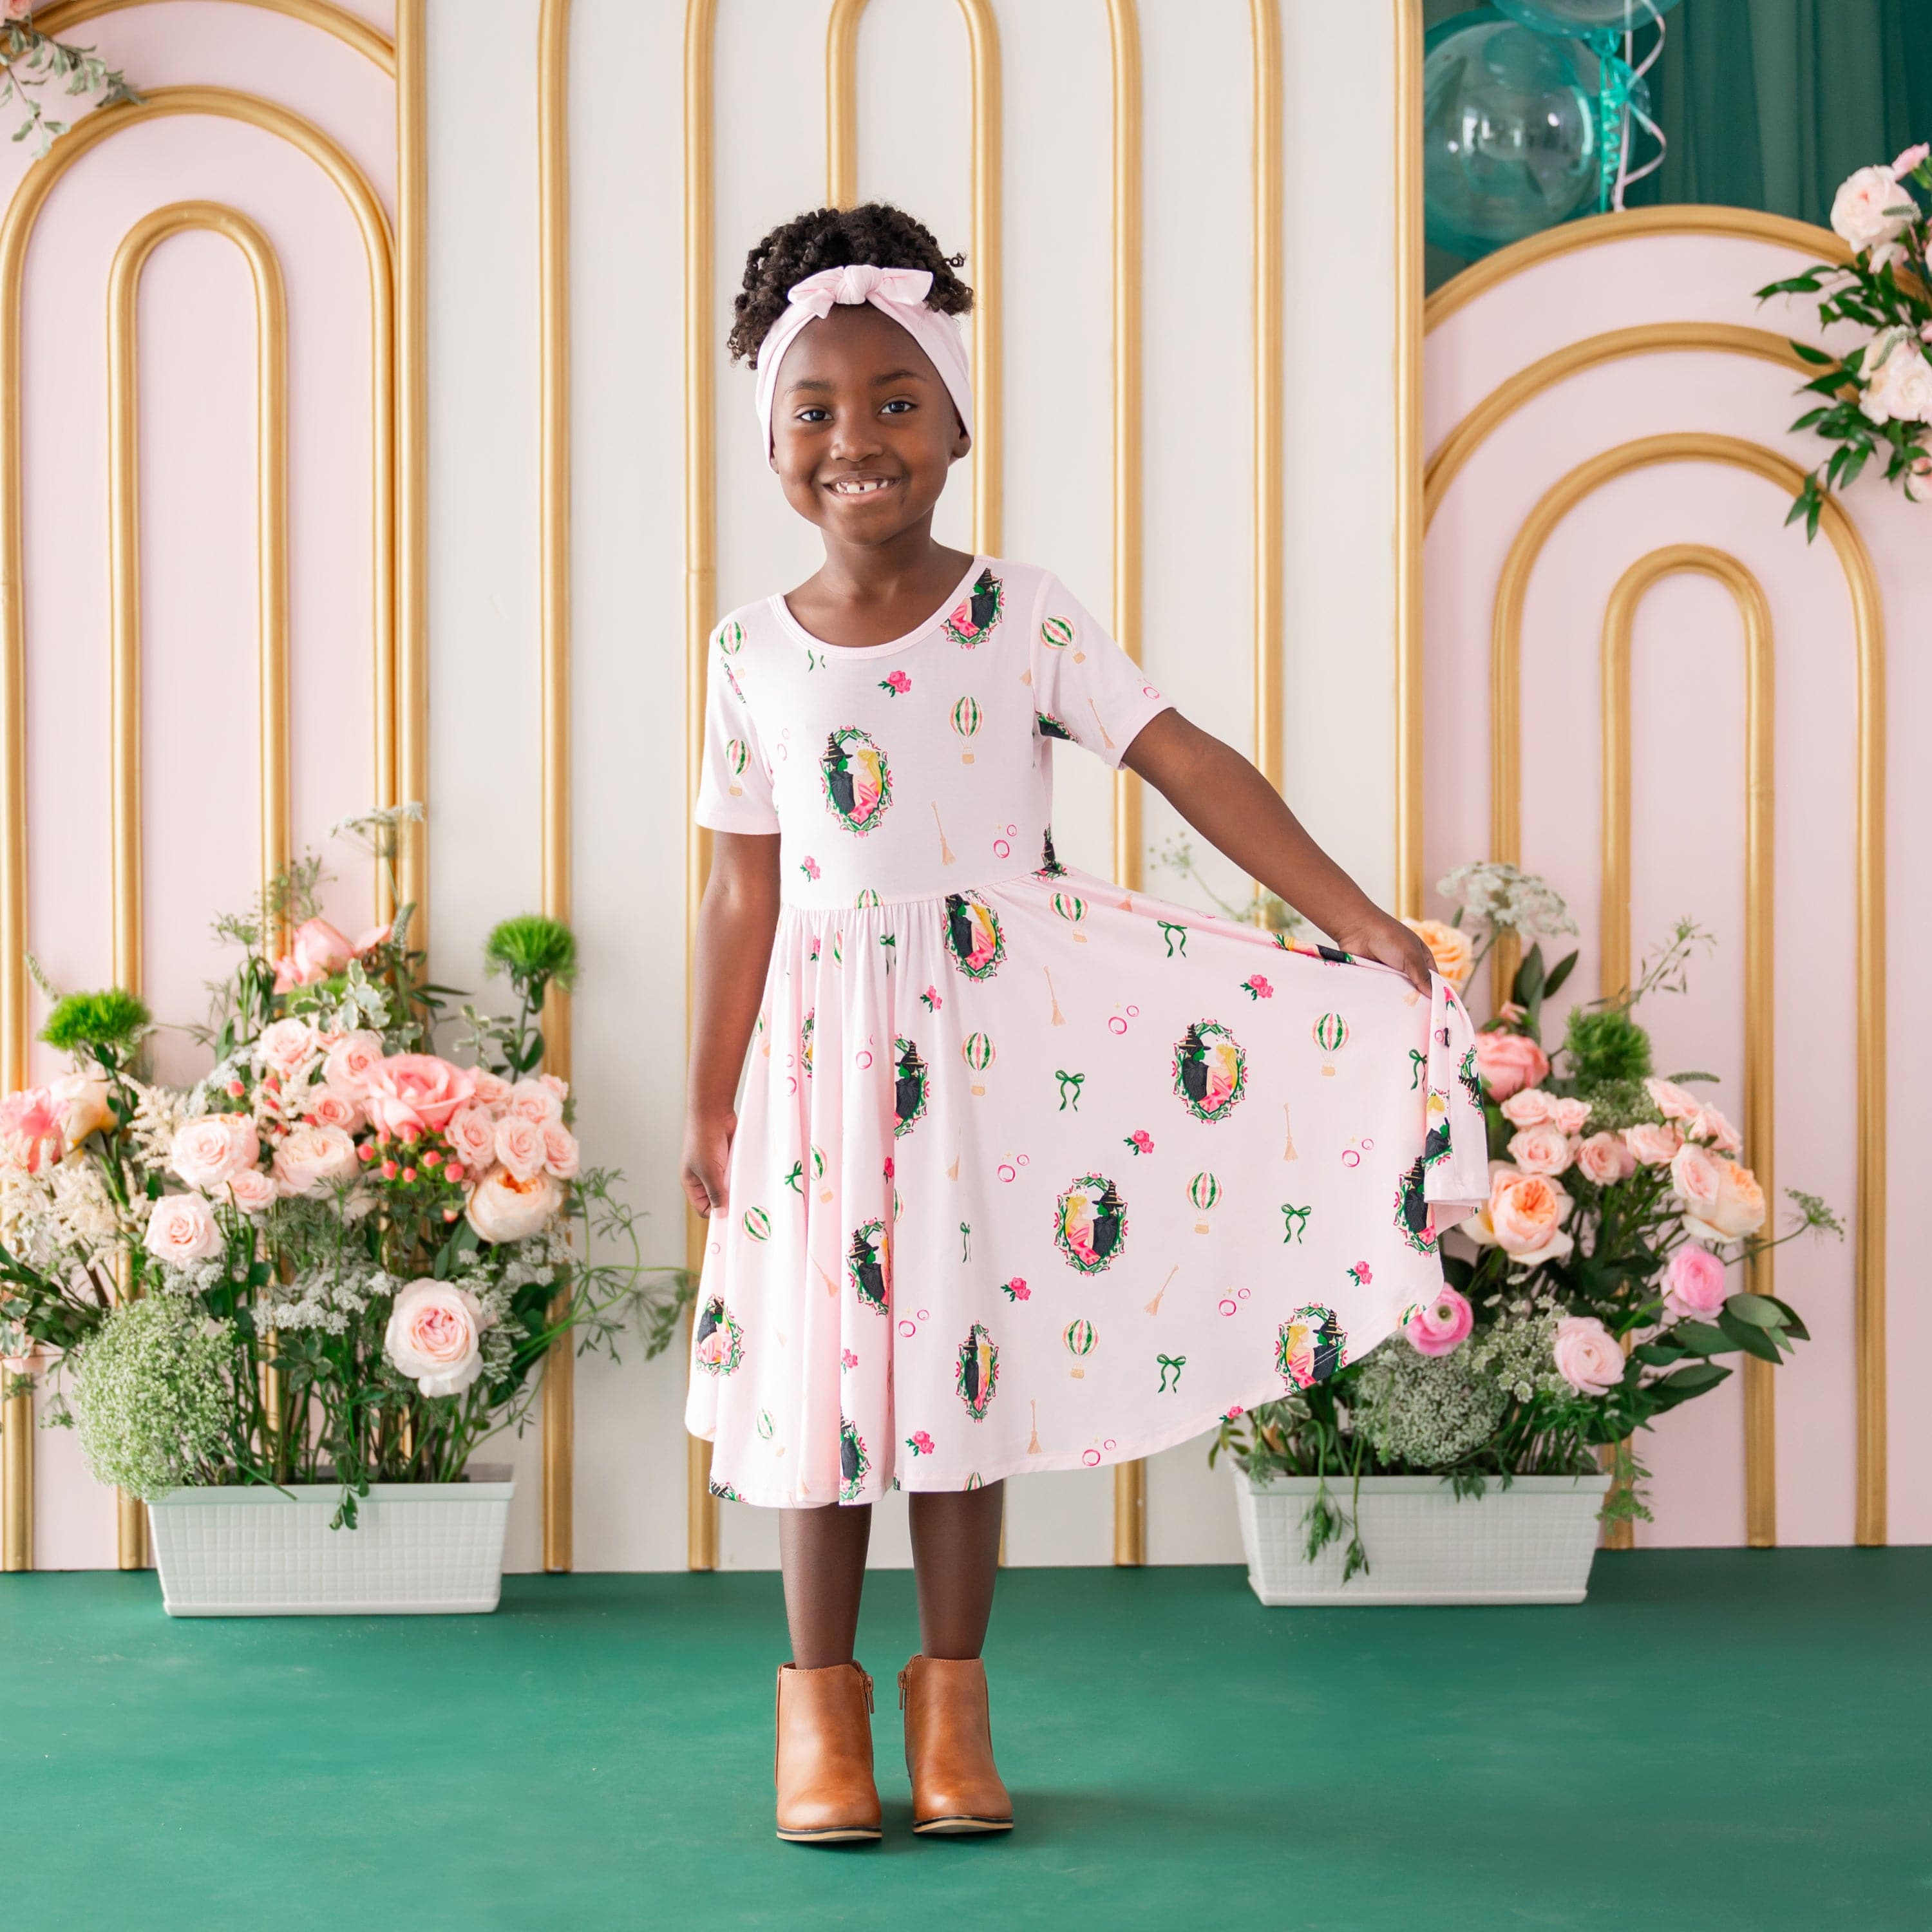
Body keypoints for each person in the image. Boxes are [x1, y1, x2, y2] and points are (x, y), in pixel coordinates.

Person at [680, 203, 1490, 1844]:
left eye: (898, 400)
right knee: (825, 1396)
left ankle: (954, 1711)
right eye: (816, 410)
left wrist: (1354, 920)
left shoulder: (1019, 615)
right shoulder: (748, 651)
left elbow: (1181, 759)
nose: (858, 439)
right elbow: (740, 890)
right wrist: (710, 1097)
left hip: (988, 1062)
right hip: (822, 1078)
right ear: (771, 442)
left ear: (958, 423)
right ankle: (818, 1718)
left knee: (955, 1382)